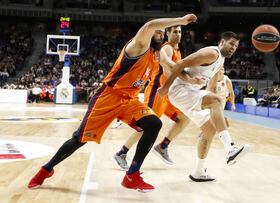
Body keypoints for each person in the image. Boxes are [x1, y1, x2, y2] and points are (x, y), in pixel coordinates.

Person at [27, 14, 197, 192]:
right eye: (159, 32)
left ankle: (132, 175)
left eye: (163, 34)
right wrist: (181, 20)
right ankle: (46, 169)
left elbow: (171, 67)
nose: (161, 35)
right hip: (109, 97)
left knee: (154, 123)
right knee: (79, 139)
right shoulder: (137, 46)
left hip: (129, 100)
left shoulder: (156, 56)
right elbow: (149, 26)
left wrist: (190, 79)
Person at [158, 31, 250, 182]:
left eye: (236, 46)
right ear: (222, 42)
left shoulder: (221, 61)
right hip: (180, 90)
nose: (234, 47)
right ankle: (230, 148)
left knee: (210, 128)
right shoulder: (211, 53)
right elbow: (181, 64)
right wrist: (165, 87)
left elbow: (210, 89)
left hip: (190, 92)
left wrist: (217, 112)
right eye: (231, 43)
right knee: (216, 100)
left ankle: (199, 171)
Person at [112, 25, 193, 169]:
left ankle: (163, 146)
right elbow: (169, 69)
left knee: (184, 118)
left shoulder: (177, 50)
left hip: (167, 94)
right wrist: (188, 77)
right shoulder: (167, 48)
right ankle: (121, 152)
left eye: (180, 32)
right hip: (157, 91)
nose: (178, 35)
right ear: (168, 34)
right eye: (175, 32)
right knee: (146, 125)